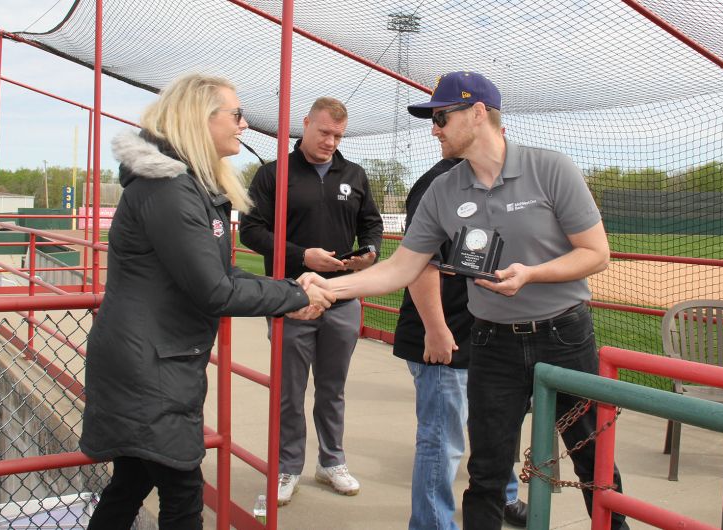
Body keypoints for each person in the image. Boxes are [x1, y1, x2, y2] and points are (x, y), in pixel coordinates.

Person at [302, 71, 629, 530]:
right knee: (487, 471)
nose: (434, 128)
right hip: (492, 343)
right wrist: (327, 287)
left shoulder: (550, 168)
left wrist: (531, 275)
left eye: (441, 117)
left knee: (592, 458)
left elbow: (596, 254)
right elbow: (402, 268)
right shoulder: (443, 189)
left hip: (564, 337)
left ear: (478, 114)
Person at [80, 74, 334, 530]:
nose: (243, 125)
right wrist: (294, 295)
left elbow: (215, 274)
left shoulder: (186, 185)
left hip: (158, 361)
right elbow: (214, 290)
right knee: (182, 495)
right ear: (200, 119)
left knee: (132, 482)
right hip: (148, 369)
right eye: (236, 115)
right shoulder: (168, 189)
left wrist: (290, 291)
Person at [239, 97, 383, 505]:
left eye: (338, 135)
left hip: (341, 296)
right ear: (306, 124)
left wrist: (369, 251)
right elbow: (250, 231)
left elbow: (370, 223)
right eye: (324, 133)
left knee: (332, 389)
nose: (331, 142)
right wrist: (302, 255)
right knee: (290, 390)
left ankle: (331, 462)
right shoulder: (273, 174)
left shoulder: (353, 174)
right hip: (291, 297)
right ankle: (288, 466)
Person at [394, 158, 527, 530]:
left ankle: (506, 496)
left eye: (444, 118)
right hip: (445, 334)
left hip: (491, 333)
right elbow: (420, 263)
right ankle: (432, 524)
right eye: (436, 119)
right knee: (442, 443)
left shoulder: (506, 184)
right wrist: (436, 330)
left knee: (497, 429)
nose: (437, 128)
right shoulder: (435, 184)